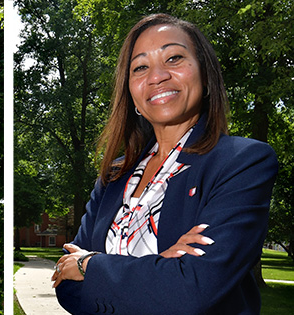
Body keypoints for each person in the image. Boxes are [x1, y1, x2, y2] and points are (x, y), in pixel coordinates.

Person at [52, 14, 278, 314]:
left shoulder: (242, 162)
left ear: (205, 75)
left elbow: (193, 290)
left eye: (174, 58)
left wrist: (89, 265)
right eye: (140, 67)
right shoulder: (114, 176)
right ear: (130, 91)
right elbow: (66, 285)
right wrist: (162, 268)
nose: (157, 76)